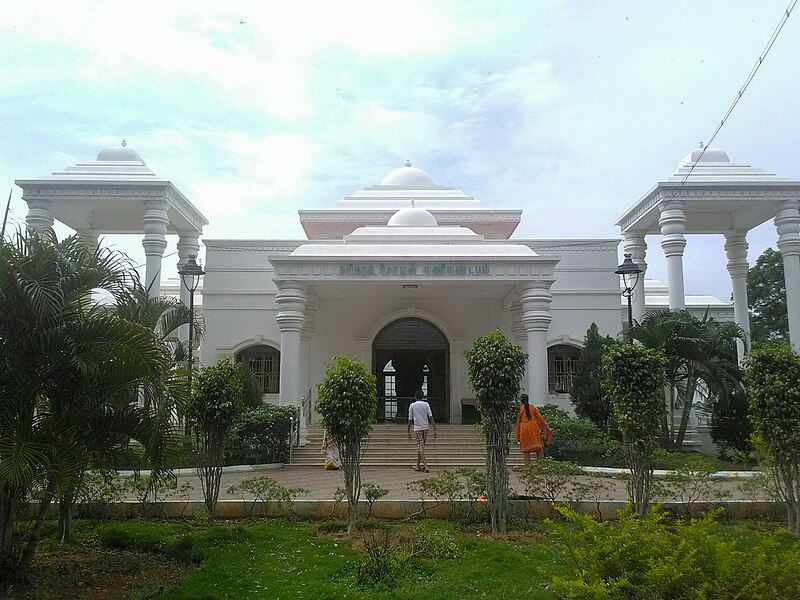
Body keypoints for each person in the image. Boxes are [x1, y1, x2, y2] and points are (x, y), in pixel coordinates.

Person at [515, 393, 552, 465]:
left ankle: (528, 468)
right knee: (539, 449)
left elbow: (517, 423)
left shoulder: (519, 409)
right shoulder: (532, 407)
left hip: (524, 429)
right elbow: (541, 419)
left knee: (525, 451)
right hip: (533, 428)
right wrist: (546, 428)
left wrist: (518, 436)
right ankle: (541, 466)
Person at [407, 389, 437, 473]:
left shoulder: (412, 405)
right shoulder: (426, 404)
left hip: (417, 428)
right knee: (421, 446)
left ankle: (425, 465)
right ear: (423, 396)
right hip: (425, 427)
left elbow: (410, 419)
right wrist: (435, 429)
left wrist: (408, 430)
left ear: (415, 396)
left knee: (420, 446)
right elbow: (431, 417)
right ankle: (417, 465)